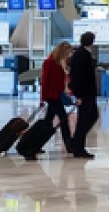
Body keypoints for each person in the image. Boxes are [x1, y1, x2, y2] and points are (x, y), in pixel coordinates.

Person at [39, 40, 74, 155]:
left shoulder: (60, 63)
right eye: (67, 53)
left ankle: (37, 143)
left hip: (57, 94)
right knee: (63, 118)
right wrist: (42, 99)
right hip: (51, 96)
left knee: (47, 121)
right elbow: (45, 81)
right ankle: (69, 145)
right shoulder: (49, 62)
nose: (68, 55)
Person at [68, 31, 98, 159]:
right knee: (85, 119)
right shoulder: (82, 55)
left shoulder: (81, 54)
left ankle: (77, 143)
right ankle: (78, 146)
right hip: (85, 93)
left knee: (91, 116)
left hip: (86, 92)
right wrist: (79, 94)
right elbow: (79, 76)